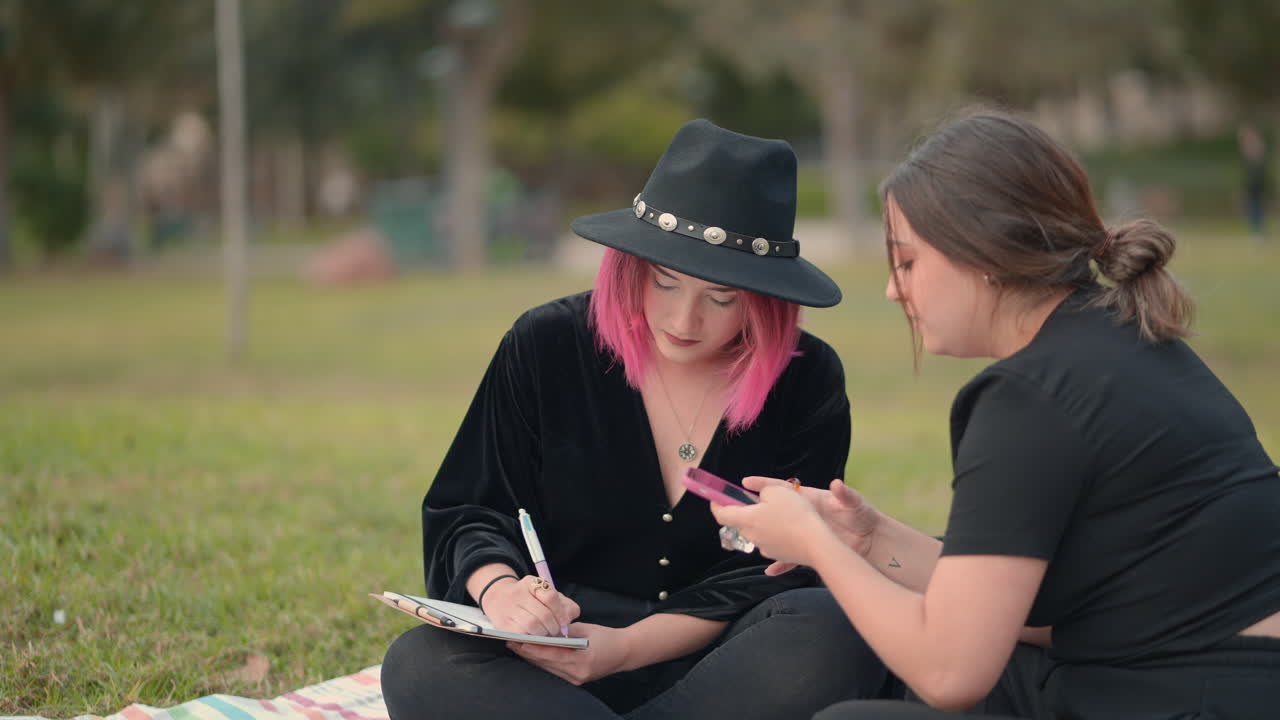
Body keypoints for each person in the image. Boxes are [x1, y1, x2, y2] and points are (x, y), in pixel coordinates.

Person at [714, 108, 1280, 718]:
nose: (893, 289)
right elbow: (1012, 608)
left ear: (983, 252)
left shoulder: (1030, 397)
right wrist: (868, 539)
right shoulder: (1118, 335)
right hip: (1189, 670)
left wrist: (815, 546)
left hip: (1194, 692)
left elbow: (951, 671)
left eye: (907, 262)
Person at [380, 119, 893, 720]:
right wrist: (504, 593)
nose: (683, 319)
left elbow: (775, 572)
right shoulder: (546, 345)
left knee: (830, 627)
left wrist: (625, 649)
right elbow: (471, 509)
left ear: (764, 299)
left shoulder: (807, 380)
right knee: (420, 663)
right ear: (632, 265)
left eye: (722, 298)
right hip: (550, 659)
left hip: (720, 661)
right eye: (664, 281)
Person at [1239, 123, 1267, 242]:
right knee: (1252, 208)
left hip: (1256, 184)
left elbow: (1257, 167)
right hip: (1251, 184)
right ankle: (1256, 231)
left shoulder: (1254, 147)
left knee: (1256, 208)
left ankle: (1258, 232)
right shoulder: (1251, 148)